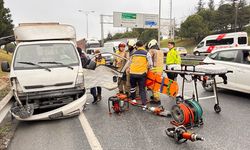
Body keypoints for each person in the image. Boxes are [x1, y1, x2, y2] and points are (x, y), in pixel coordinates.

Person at [128, 41, 152, 110]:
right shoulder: (146, 53)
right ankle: (144, 104)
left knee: (133, 87)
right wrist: (148, 69)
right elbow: (150, 64)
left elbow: (130, 63)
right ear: (143, 45)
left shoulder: (133, 54)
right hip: (141, 74)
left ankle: (133, 99)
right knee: (142, 89)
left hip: (132, 73)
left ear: (137, 46)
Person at [148, 39, 164, 105]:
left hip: (154, 69)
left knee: (153, 84)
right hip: (160, 70)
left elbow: (148, 59)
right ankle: (155, 96)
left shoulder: (152, 51)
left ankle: (156, 99)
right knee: (157, 84)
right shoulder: (161, 51)